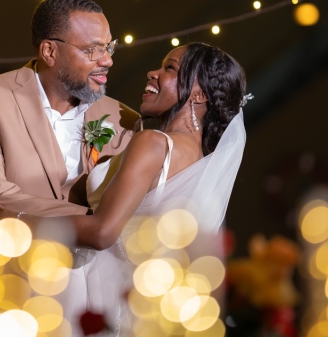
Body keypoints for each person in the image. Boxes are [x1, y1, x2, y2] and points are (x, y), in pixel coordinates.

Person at [0, 0, 139, 337]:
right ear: (49, 51)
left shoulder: (123, 117)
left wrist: (105, 224)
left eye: (108, 48)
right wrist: (99, 224)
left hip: (81, 294)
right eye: (91, 50)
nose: (107, 61)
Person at [13, 42, 248, 335]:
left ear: (199, 94)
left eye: (170, 68)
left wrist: (19, 222)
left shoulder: (153, 143)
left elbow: (102, 232)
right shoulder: (200, 164)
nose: (153, 73)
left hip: (98, 298)